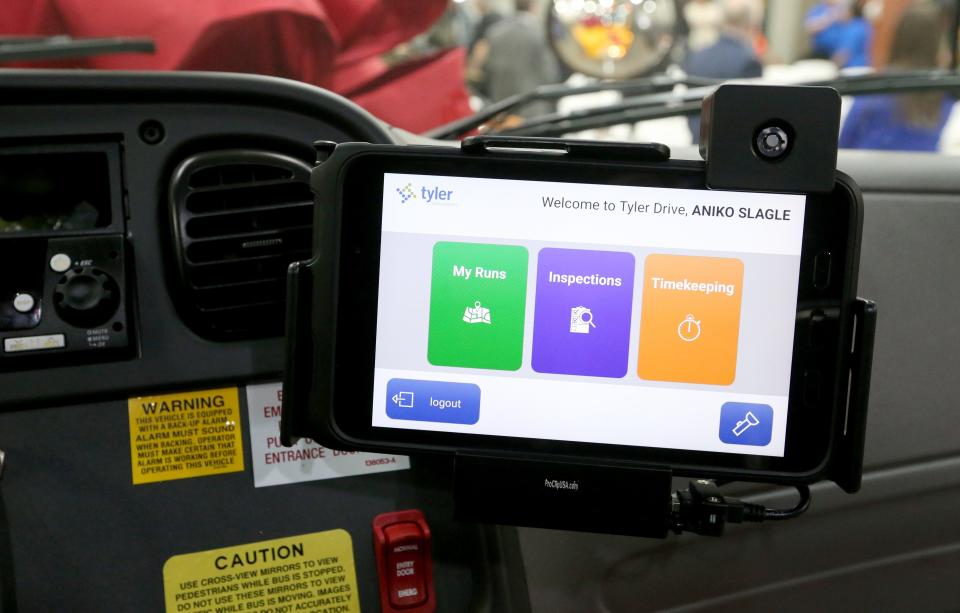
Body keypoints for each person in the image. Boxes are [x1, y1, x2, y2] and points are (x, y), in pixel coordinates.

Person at [839, 3, 955, 151]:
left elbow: (842, 149)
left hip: (863, 172)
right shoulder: (944, 98)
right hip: (923, 174)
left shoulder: (870, 89)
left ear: (898, 39)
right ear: (938, 45)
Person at [683, 0, 763, 141]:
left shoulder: (697, 56)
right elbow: (752, 116)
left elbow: (688, 109)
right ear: (750, 23)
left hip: (695, 143)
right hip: (729, 149)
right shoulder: (750, 62)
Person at [475, 0, 561, 118]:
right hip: (532, 108)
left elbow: (486, 69)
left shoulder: (494, 32)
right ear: (533, 6)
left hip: (501, 109)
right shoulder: (539, 33)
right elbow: (549, 73)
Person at [805, 0, 871, 68]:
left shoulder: (856, 27)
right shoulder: (819, 10)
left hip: (851, 67)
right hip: (823, 54)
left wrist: (832, 68)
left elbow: (843, 55)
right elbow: (810, 27)